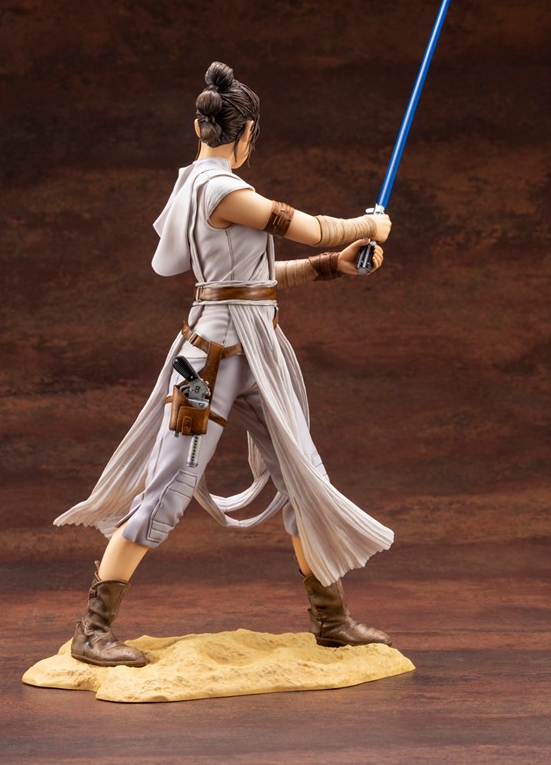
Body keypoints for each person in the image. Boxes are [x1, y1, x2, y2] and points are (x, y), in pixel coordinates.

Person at [54, 61, 394, 668]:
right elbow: (311, 228)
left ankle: (330, 620)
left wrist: (333, 266)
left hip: (251, 356)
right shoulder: (224, 191)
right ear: (248, 134)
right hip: (205, 363)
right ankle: (92, 629)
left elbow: (247, 282)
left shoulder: (197, 187)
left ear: (199, 127)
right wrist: (369, 224)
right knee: (168, 486)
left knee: (303, 477)